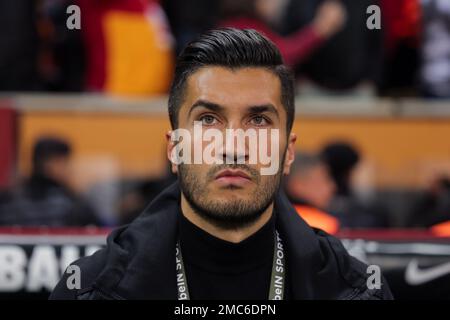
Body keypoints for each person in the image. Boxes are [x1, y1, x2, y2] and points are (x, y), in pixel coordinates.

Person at [50, 28, 392, 300]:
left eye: (258, 121)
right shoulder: (90, 290)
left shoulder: (356, 291)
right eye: (209, 119)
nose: (232, 146)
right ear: (174, 149)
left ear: (288, 152)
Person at [0, 137, 100, 226]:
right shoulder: (72, 204)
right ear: (50, 164)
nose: (69, 168)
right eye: (64, 162)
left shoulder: (7, 199)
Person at [285, 152, 339, 234]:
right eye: (324, 180)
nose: (333, 187)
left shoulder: (269, 220)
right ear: (299, 185)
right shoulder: (323, 225)